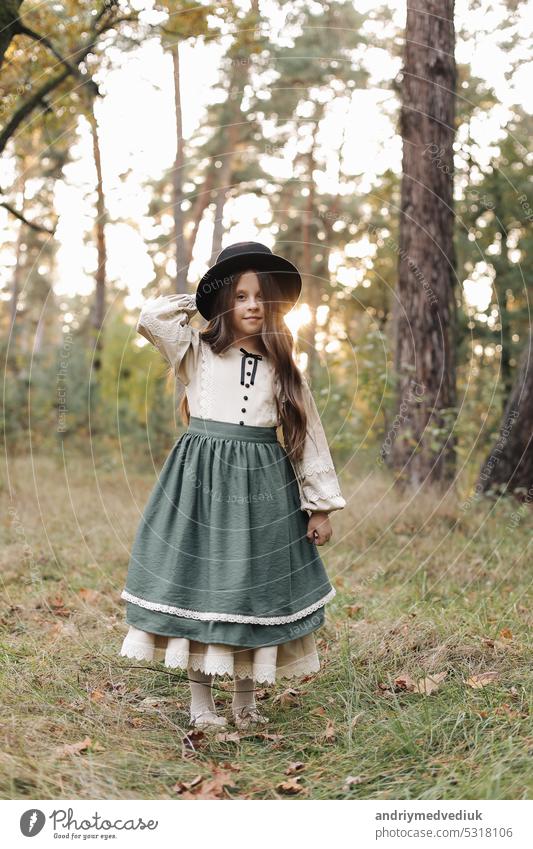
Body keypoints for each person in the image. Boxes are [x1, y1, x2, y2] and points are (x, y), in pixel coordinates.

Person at [119, 241, 347, 731]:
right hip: (199, 482)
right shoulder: (195, 351)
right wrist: (200, 297)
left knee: (250, 588)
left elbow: (308, 437)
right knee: (203, 584)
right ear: (224, 303)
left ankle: (246, 701)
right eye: (240, 296)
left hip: (264, 487)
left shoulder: (284, 366)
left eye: (261, 297)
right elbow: (150, 317)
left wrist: (320, 507)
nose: (251, 305)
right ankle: (201, 703)